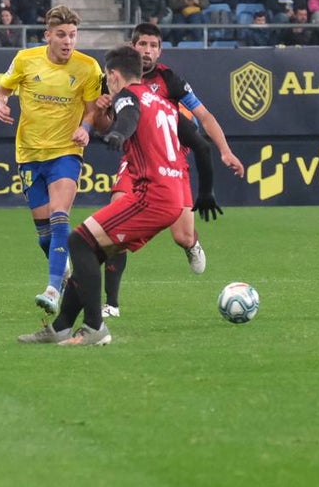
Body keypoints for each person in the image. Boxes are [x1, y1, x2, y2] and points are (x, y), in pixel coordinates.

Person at [17, 46, 189, 347]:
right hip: (173, 194)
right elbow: (199, 143)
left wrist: (119, 134)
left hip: (152, 195)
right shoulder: (161, 100)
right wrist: (208, 189)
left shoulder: (128, 94)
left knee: (77, 241)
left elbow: (129, 117)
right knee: (91, 251)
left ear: (112, 74)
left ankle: (95, 327)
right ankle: (61, 327)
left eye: (107, 77)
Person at [98, 23, 245, 318]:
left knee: (182, 237)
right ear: (133, 46)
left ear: (160, 50)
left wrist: (225, 151)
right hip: (136, 160)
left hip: (171, 161)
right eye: (142, 45)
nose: (148, 51)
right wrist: (102, 112)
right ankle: (111, 303)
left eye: (153, 45)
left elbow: (203, 116)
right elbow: (106, 127)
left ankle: (192, 244)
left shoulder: (170, 80)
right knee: (116, 220)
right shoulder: (114, 80)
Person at [0, 5, 103, 315]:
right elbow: (1, 91)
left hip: (65, 153)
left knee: (59, 218)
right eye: (61, 35)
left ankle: (53, 289)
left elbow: (92, 109)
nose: (68, 41)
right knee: (44, 236)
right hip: (29, 155)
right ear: (47, 36)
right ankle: (66, 271)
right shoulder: (26, 60)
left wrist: (85, 128)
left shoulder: (88, 67)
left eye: (72, 35)